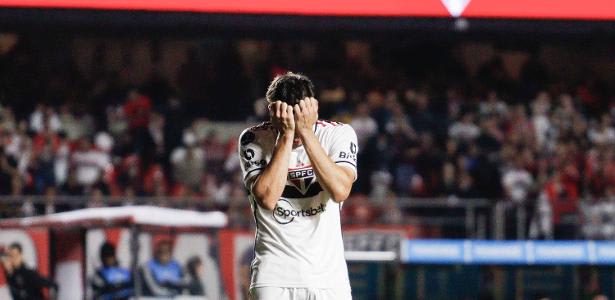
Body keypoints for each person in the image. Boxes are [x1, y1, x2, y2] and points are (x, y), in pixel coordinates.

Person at [238, 72, 357, 300]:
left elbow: (340, 191)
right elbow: (267, 198)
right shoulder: (253, 138)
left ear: (313, 108)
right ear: (273, 111)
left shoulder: (338, 134)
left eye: (298, 114)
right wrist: (286, 134)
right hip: (273, 278)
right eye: (285, 116)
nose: (292, 121)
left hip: (329, 279)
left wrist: (306, 131)